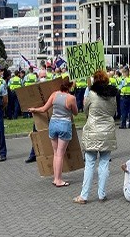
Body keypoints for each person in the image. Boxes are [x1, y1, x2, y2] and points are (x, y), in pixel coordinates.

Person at [73, 70, 117, 204]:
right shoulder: (112, 95)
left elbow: (85, 109)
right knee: (104, 164)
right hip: (107, 131)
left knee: (90, 164)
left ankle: (84, 195)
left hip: (92, 130)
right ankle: (102, 194)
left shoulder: (91, 94)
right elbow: (113, 112)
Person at [28, 77, 77, 187]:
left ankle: (55, 178)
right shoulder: (71, 98)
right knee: (60, 154)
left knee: (55, 153)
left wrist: (33, 109)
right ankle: (59, 180)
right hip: (64, 125)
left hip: (53, 124)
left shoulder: (54, 94)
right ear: (70, 86)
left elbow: (44, 109)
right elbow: (76, 112)